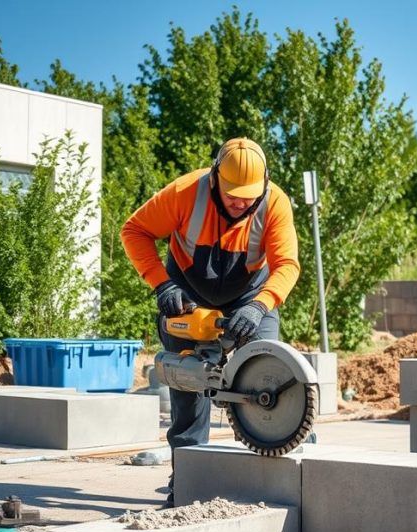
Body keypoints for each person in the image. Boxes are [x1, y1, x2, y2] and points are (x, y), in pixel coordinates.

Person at [121, 137, 300, 503]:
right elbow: (134, 231)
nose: (240, 203)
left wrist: (260, 306)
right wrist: (162, 285)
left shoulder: (276, 203)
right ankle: (188, 484)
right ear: (216, 177)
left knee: (269, 373)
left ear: (265, 183)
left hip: (252, 297)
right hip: (187, 295)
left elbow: (287, 265)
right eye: (233, 194)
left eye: (249, 195)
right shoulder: (185, 192)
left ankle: (264, 484)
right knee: (189, 394)